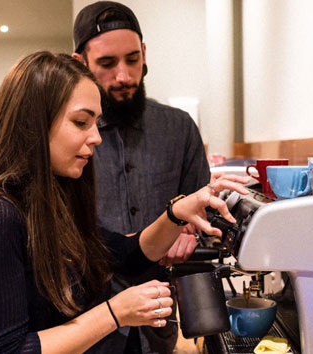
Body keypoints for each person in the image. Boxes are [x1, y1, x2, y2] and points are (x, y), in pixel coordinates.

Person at [0, 51, 248, 354]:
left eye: (96, 122)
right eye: (82, 122)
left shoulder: (55, 197)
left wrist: (177, 213)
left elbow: (124, 255)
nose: (97, 137)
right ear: (33, 124)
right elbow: (6, 349)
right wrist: (115, 313)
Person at [72, 2, 212, 352]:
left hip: (159, 319)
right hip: (85, 321)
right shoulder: (67, 140)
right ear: (80, 64)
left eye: (132, 60)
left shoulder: (179, 129)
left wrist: (188, 230)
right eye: (107, 64)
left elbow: (199, 208)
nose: (124, 76)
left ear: (144, 54)